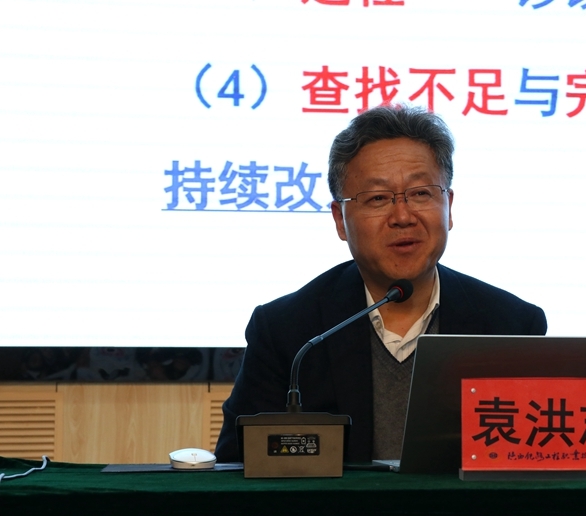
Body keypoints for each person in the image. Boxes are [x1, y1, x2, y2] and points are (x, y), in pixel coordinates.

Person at [215, 105, 546, 463]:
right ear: (340, 220)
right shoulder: (288, 331)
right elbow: (238, 466)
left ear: (448, 206)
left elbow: (535, 464)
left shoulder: (511, 327)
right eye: (377, 198)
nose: (403, 216)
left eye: (421, 193)